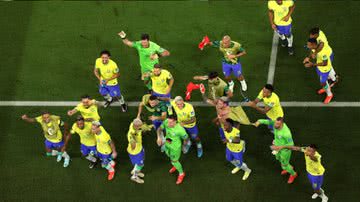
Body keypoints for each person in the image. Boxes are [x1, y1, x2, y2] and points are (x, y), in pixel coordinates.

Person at [253, 117, 297, 184]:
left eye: (277, 124)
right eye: (275, 123)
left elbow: (291, 145)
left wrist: (280, 147)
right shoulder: (275, 123)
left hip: (285, 150)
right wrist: (259, 121)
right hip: (277, 146)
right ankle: (288, 167)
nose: (275, 125)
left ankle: (293, 174)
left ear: (282, 124)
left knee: (284, 165)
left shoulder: (286, 133)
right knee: (279, 159)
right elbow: (267, 122)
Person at [156, 115, 190, 185]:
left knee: (174, 161)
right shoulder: (166, 121)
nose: (168, 124)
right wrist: (159, 137)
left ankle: (181, 173)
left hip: (175, 147)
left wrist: (184, 146)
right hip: (167, 143)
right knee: (169, 156)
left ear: (175, 121)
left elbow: (186, 139)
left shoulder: (180, 130)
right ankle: (174, 165)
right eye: (168, 122)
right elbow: (159, 129)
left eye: (171, 122)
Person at [304, 38, 334, 104]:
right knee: (327, 78)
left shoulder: (323, 53)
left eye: (309, 45)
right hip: (320, 67)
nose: (307, 46)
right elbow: (312, 51)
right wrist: (308, 58)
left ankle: (329, 94)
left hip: (325, 69)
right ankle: (332, 81)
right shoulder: (315, 47)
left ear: (313, 44)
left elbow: (325, 63)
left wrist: (312, 64)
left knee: (323, 82)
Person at [127, 118, 153, 184]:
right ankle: (134, 176)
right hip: (136, 152)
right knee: (140, 164)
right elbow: (133, 145)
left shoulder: (132, 124)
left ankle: (136, 171)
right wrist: (134, 141)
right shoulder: (131, 134)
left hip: (138, 149)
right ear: (136, 126)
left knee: (138, 163)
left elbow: (138, 123)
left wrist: (149, 126)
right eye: (140, 126)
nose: (141, 127)